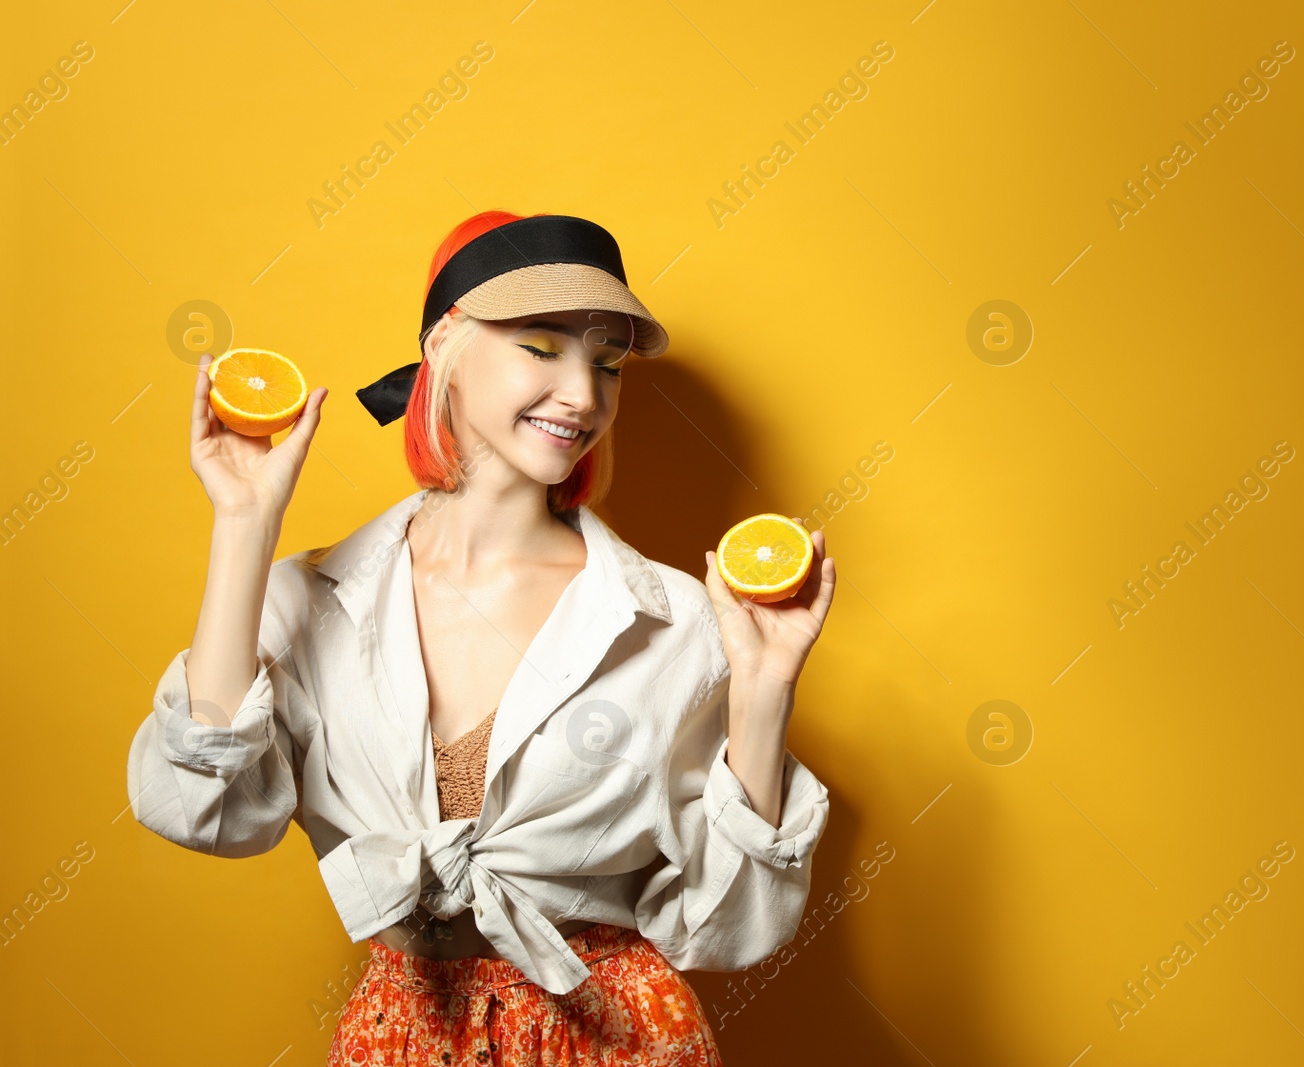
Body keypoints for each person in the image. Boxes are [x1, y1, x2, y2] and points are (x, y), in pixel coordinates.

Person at [125, 210, 837, 1065]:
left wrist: (764, 695)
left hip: (617, 1036)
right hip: (405, 1032)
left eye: (607, 364)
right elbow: (205, 809)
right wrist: (243, 526)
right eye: (542, 348)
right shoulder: (307, 600)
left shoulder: (680, 618)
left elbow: (727, 923)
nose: (584, 393)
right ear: (445, 350)